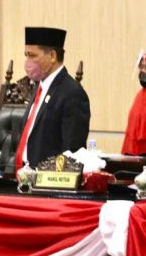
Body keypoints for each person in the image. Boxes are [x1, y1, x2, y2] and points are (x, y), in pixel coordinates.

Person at [15, 27, 90, 170]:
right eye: (26, 55)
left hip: (46, 178)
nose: (28, 61)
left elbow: (71, 152)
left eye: (32, 56)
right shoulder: (40, 86)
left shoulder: (72, 93)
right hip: (22, 174)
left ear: (52, 56)